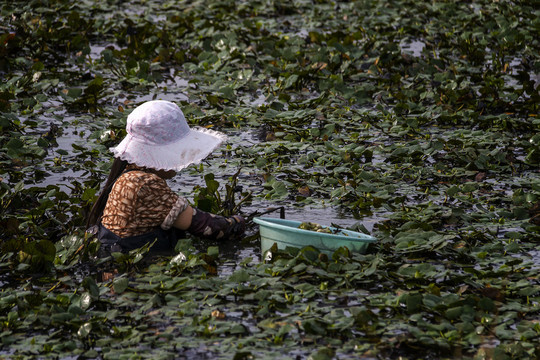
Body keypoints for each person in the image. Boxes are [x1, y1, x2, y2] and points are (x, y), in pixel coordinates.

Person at [86, 100, 245, 254]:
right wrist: (239, 221)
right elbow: (210, 228)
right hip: (134, 275)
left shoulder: (127, 174)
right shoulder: (145, 183)